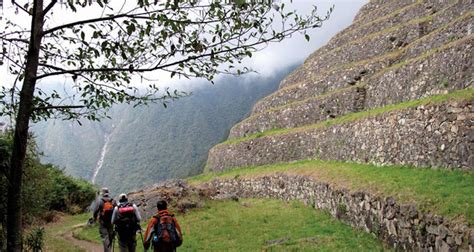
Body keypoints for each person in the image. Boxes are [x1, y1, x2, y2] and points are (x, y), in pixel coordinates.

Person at [92, 187, 116, 252]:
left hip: (103, 222)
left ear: (102, 193)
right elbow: (116, 211)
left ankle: (107, 251)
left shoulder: (100, 201)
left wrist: (94, 219)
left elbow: (95, 212)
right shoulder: (113, 201)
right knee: (110, 237)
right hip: (111, 222)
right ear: (108, 193)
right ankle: (109, 250)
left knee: (105, 237)